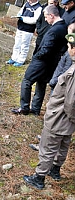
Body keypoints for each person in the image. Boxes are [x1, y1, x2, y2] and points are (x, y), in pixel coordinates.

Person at [23, 32, 75, 189]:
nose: (67, 49)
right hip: (67, 122)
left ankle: (39, 178)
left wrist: (72, 118)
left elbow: (71, 103)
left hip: (60, 118)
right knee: (63, 144)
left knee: (48, 147)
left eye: (69, 47)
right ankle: (55, 170)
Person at [11, 5, 68, 116]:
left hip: (42, 61)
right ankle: (36, 109)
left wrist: (36, 56)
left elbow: (46, 49)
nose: (45, 20)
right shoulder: (64, 26)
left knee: (27, 81)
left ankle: (24, 108)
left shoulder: (54, 30)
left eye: (46, 17)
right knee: (41, 84)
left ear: (52, 15)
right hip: (53, 62)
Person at [28, 22, 75, 151]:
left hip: (62, 91)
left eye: (69, 32)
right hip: (58, 84)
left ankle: (45, 146)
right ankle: (44, 139)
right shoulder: (68, 51)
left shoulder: (73, 59)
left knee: (54, 121)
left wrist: (56, 81)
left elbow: (65, 73)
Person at [6, 0, 42, 67]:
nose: (29, 1)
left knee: (24, 45)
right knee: (17, 44)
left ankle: (20, 60)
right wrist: (19, 16)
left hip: (28, 30)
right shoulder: (26, 4)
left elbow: (35, 20)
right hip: (20, 27)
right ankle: (14, 58)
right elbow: (21, 12)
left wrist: (24, 19)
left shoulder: (38, 8)